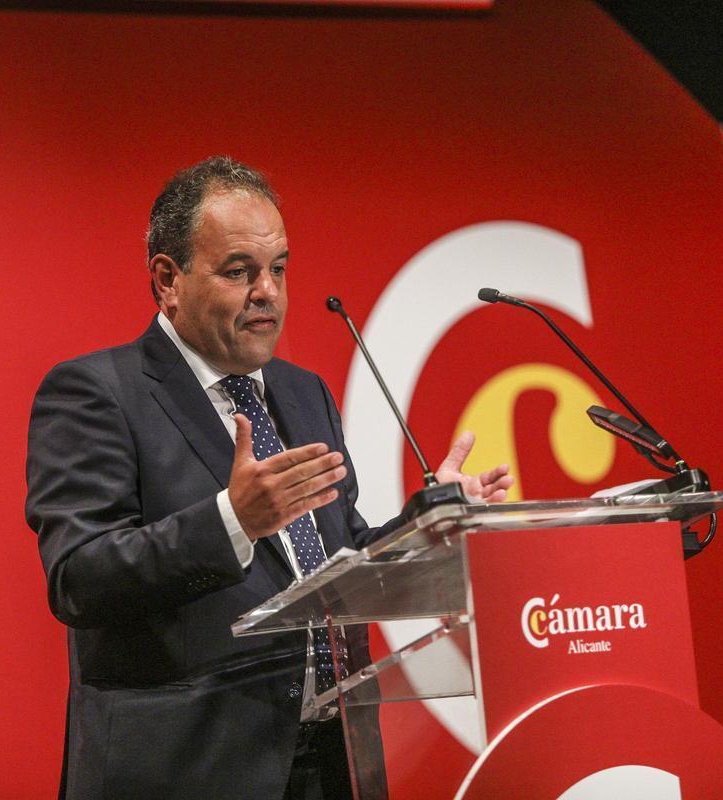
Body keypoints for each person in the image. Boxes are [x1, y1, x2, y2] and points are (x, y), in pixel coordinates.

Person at [25, 156, 513, 800]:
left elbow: (336, 564)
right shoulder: (95, 393)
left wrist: (431, 524)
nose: (269, 292)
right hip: (186, 773)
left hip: (329, 763)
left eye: (278, 269)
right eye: (240, 272)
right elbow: (80, 580)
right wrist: (234, 522)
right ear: (168, 280)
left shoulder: (302, 393)